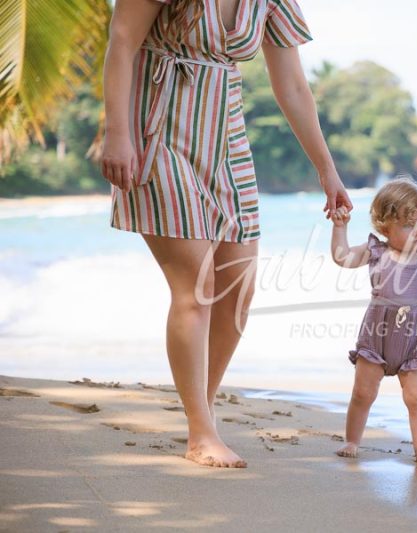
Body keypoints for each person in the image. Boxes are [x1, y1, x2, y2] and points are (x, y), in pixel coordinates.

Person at [101, 0, 351, 468]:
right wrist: (117, 133)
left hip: (229, 142)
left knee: (239, 289)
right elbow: (122, 40)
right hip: (158, 132)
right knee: (196, 289)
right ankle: (200, 432)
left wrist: (327, 170)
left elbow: (293, 86)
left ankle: (204, 410)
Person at [329, 177, 417, 465]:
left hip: (414, 340)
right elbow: (342, 258)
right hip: (376, 336)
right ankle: (352, 440)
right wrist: (339, 227)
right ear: (385, 227)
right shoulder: (376, 252)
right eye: (408, 226)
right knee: (363, 393)